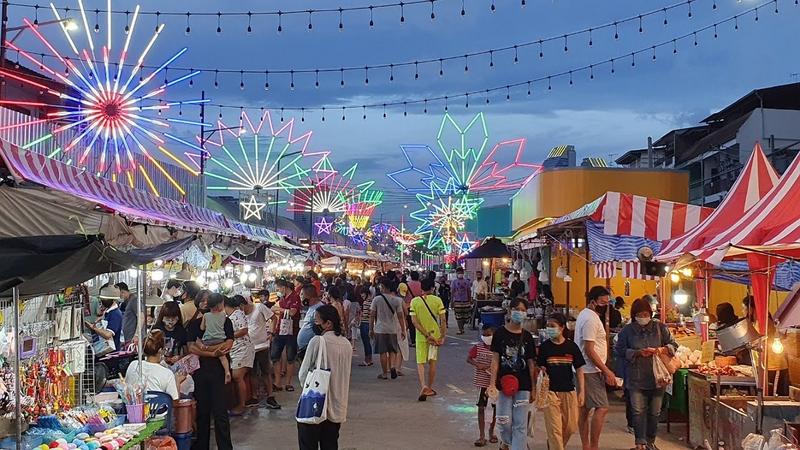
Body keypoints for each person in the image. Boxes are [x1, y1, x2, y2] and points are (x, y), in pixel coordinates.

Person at [615, 298, 677, 450]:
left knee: (655, 412)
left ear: (650, 313)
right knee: (638, 411)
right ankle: (640, 442)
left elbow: (673, 344)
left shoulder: (660, 328)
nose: (643, 317)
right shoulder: (627, 331)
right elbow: (619, 350)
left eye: (645, 314)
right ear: (634, 315)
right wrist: (637, 353)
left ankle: (650, 441)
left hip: (658, 378)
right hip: (635, 378)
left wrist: (661, 350)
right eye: (640, 314)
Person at [296, 305, 353, 450]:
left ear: (328, 324)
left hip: (315, 403)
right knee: (330, 443)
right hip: (337, 404)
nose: (315, 324)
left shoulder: (317, 341)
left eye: (317, 321)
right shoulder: (347, 344)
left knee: (308, 443)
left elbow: (303, 374)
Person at [186, 293, 234, 450]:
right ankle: (202, 445)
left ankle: (225, 446)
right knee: (202, 411)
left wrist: (206, 348)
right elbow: (191, 347)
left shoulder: (226, 321)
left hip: (219, 371)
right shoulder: (195, 324)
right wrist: (213, 353)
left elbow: (229, 343)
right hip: (200, 370)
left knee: (220, 411)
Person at [489, 298, 537, 450]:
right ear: (510, 311)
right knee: (503, 420)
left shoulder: (528, 337)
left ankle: (518, 446)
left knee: (520, 423)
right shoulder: (499, 334)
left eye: (523, 310)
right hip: (503, 384)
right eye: (517, 309)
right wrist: (492, 383)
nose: (520, 313)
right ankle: (507, 442)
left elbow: (531, 363)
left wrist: (534, 388)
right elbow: (495, 360)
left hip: (523, 385)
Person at [576, 286, 617, 450]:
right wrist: (607, 370)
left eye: (607, 303)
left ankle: (587, 445)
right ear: (593, 301)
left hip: (587, 369)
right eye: (602, 302)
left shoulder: (586, 315)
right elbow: (589, 349)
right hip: (590, 370)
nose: (605, 306)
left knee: (585, 410)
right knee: (602, 407)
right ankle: (593, 446)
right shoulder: (590, 319)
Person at [537, 313, 586, 450]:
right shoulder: (545, 347)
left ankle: (554, 445)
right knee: (554, 429)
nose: (549, 329)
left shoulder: (572, 347)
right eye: (547, 326)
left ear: (562, 327)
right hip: (550, 392)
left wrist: (582, 391)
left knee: (570, 427)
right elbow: (539, 366)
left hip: (569, 391)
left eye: (552, 326)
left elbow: (580, 369)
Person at [743, 296, 789, 395]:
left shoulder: (765, 323)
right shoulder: (755, 322)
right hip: (762, 365)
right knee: (764, 394)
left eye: (744, 308)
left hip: (773, 366)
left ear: (751, 309)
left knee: (773, 396)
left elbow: (763, 339)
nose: (743, 311)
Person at [410, 278, 446, 401]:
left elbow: (414, 322)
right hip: (435, 336)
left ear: (422, 288)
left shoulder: (414, 301)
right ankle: (429, 387)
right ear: (432, 288)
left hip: (420, 336)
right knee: (432, 362)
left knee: (420, 362)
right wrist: (442, 335)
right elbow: (443, 320)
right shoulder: (437, 300)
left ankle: (423, 385)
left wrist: (425, 334)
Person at [242, 295, 281, 409]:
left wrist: (271, 333)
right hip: (249, 347)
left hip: (262, 346)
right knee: (253, 372)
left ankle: (270, 396)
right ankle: (254, 396)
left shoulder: (259, 307)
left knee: (266, 371)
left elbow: (274, 318)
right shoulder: (240, 314)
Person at [124, 329, 182, 400]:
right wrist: (177, 381)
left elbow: (126, 387)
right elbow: (174, 400)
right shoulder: (167, 374)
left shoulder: (133, 365)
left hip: (134, 409)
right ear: (160, 350)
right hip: (158, 410)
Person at [370, 277, 406, 380]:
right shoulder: (396, 300)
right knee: (392, 350)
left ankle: (384, 373)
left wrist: (370, 329)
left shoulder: (377, 299)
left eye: (381, 286)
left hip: (380, 329)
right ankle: (392, 366)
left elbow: (372, 315)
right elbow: (400, 316)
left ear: (384, 287)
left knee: (382, 352)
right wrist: (403, 330)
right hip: (392, 329)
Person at [467, 324, 497, 447]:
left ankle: (492, 430)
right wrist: (477, 364)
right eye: (484, 335)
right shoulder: (478, 347)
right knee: (481, 408)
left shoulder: (497, 349)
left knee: (496, 409)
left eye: (488, 335)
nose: (485, 337)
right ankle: (481, 435)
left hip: (494, 383)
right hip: (482, 383)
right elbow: (469, 358)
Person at [225, 295, 255, 416]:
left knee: (237, 376)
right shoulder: (229, 316)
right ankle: (239, 402)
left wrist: (228, 336)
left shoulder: (238, 314)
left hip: (242, 349)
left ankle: (242, 404)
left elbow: (243, 330)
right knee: (236, 377)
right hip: (234, 350)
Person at [271, 279, 302, 392]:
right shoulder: (282, 298)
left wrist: (278, 309)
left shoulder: (295, 297)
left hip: (291, 332)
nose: (278, 291)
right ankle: (278, 382)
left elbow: (293, 312)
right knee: (275, 356)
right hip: (280, 330)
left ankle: (288, 383)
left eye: (278, 289)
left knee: (290, 358)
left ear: (284, 287)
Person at [200, 293, 233, 384]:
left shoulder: (206, 315)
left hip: (207, 341)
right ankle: (227, 371)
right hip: (220, 340)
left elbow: (202, 328)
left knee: (201, 346)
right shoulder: (223, 316)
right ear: (219, 305)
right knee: (222, 357)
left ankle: (209, 351)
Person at [86, 285, 124, 352]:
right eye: (102, 299)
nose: (102, 300)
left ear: (113, 299)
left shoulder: (115, 314)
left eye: (105, 299)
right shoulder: (108, 312)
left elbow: (108, 334)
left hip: (111, 353)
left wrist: (94, 328)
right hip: (103, 350)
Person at [297, 284, 325, 358]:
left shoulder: (319, 309)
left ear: (310, 297)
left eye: (302, 294)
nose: (301, 297)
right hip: (305, 348)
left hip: (310, 348)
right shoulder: (311, 307)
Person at [116, 282, 144, 346]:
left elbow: (141, 317)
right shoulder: (127, 302)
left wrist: (137, 335)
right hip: (129, 339)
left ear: (123, 292)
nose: (119, 297)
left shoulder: (134, 300)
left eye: (119, 295)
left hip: (134, 339)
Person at [450, 267, 473, 334]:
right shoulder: (454, 282)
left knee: (466, 317)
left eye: (461, 272)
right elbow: (452, 292)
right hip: (457, 301)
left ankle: (462, 327)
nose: (460, 274)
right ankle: (460, 329)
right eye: (459, 273)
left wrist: (469, 300)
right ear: (456, 273)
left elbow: (469, 291)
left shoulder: (467, 281)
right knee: (458, 316)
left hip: (466, 301)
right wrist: (451, 302)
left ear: (463, 273)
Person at [356, 284, 374, 367]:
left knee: (366, 342)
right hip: (368, 323)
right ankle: (369, 359)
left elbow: (367, 314)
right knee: (368, 343)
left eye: (362, 294)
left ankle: (367, 360)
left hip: (365, 323)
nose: (361, 296)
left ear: (366, 293)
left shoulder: (366, 302)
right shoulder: (372, 301)